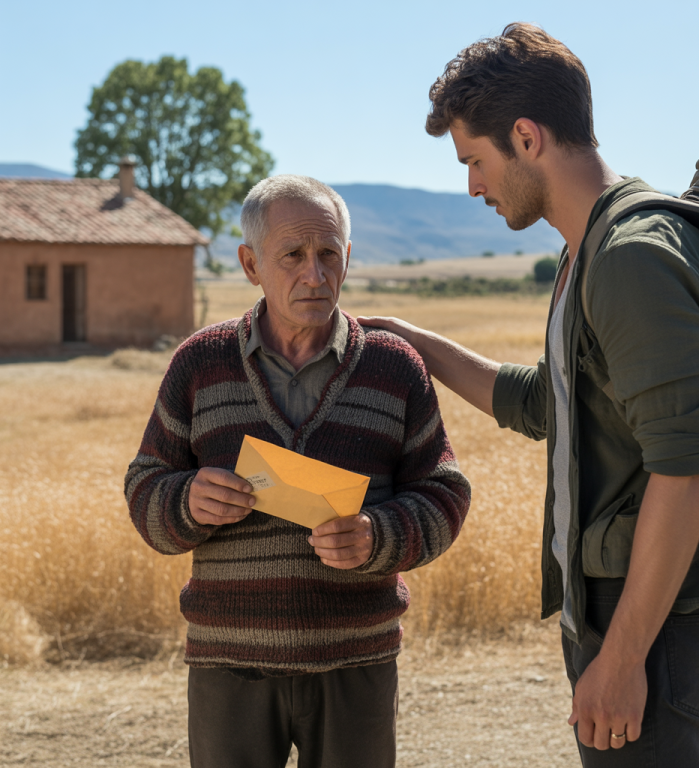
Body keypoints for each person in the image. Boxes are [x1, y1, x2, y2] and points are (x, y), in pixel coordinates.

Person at [359, 23, 699, 767]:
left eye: (474, 160)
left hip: (650, 626)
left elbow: (687, 469)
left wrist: (623, 660)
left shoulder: (630, 257)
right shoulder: (586, 251)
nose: (471, 185)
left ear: (526, 137)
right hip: (617, 611)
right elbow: (547, 402)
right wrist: (416, 342)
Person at [125, 174, 470, 768]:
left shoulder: (392, 368)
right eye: (292, 256)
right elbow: (145, 487)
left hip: (357, 662)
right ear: (250, 263)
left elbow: (444, 493)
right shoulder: (200, 364)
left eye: (328, 254)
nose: (315, 273)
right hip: (228, 663)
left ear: (348, 257)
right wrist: (186, 502)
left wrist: (377, 535)